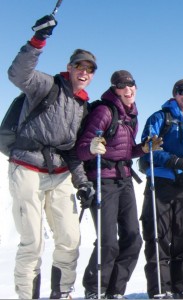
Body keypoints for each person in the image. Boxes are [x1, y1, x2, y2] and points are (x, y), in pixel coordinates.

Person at [7, 15, 97, 299]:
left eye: (90, 69)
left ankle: (62, 292)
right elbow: (17, 75)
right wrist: (38, 40)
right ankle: (27, 296)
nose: (84, 72)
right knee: (32, 241)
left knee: (70, 239)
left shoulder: (83, 106)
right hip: (27, 167)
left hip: (59, 175)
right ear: (69, 68)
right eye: (79, 66)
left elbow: (73, 152)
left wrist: (82, 182)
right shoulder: (47, 85)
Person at [77, 71, 159, 299]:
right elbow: (82, 148)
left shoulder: (131, 115)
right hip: (103, 180)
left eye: (131, 84)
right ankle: (95, 289)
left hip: (124, 180)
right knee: (108, 242)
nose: (128, 89)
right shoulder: (104, 111)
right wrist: (92, 147)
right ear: (114, 89)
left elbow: (125, 150)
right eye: (122, 86)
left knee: (133, 239)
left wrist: (142, 148)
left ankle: (115, 291)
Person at [139, 79, 183, 299]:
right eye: (182, 92)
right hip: (161, 181)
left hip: (182, 185)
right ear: (175, 94)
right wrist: (174, 161)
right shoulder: (160, 118)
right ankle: (160, 288)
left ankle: (181, 285)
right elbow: (148, 147)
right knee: (159, 236)